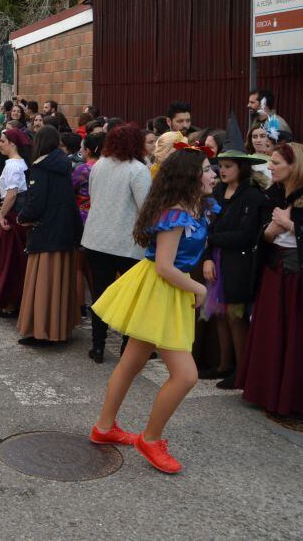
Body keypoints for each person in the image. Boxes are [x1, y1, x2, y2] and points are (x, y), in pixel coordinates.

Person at [90, 145, 216, 474]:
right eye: (206, 169)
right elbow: (163, 266)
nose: (212, 174)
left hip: (166, 289)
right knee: (186, 376)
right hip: (162, 288)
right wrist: (198, 287)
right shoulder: (177, 213)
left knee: (132, 361)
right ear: (190, 176)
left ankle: (104, 428)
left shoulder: (194, 206)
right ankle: (150, 439)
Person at [235, 142, 303, 417]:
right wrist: (270, 232)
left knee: (294, 336)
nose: (270, 167)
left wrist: (290, 226)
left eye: (276, 162)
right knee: (271, 331)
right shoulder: (273, 194)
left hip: (297, 277)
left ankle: (291, 398)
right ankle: (266, 392)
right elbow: (261, 235)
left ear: (294, 166)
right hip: (274, 270)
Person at [79, 125, 152, 363]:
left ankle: (97, 346)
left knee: (100, 293)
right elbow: (145, 208)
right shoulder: (138, 170)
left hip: (97, 238)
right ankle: (126, 348)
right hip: (127, 242)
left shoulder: (99, 165)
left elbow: (93, 195)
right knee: (131, 297)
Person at [201, 138, 267, 389]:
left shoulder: (252, 195)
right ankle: (223, 365)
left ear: (242, 167)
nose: (223, 171)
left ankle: (242, 370)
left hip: (239, 262)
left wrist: (210, 238)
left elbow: (246, 234)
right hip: (217, 259)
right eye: (221, 166)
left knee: (235, 315)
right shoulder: (218, 192)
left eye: (228, 166)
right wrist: (208, 256)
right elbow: (208, 223)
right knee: (219, 314)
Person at [15, 126, 83, 346]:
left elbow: (36, 203)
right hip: (65, 230)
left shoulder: (41, 168)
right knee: (61, 283)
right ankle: (61, 327)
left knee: (44, 282)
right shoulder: (64, 165)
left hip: (46, 231)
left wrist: (21, 217)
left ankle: (42, 331)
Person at [0, 128, 30, 317]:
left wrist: (1, 215)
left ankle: (9, 303)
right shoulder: (20, 163)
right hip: (16, 214)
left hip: (11, 216)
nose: (0, 144)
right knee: (14, 261)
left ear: (12, 143)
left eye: (2, 141)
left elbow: (11, 194)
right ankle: (11, 302)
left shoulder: (13, 165)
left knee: (8, 262)